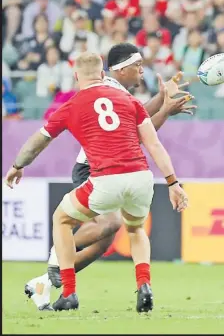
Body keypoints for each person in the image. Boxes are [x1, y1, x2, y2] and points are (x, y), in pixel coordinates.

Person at [5, 52, 189, 312]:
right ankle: (142, 285)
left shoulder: (76, 103)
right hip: (120, 172)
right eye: (137, 66)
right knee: (120, 227)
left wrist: (16, 166)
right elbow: (147, 138)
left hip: (106, 174)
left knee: (84, 228)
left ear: (76, 76)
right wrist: (172, 182)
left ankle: (58, 282)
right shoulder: (124, 96)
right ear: (110, 72)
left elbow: (40, 140)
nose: (142, 71)